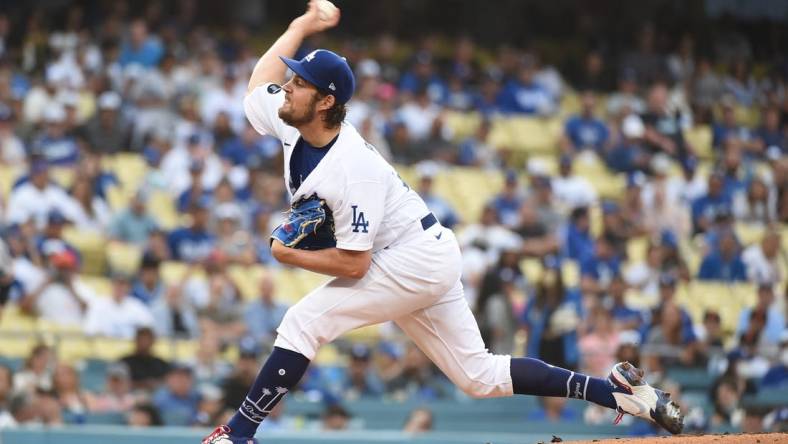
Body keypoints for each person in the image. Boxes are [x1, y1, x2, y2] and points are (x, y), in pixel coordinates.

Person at [202, 4, 683, 442]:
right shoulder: (294, 117)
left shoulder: (351, 167)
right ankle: (617, 393)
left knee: (302, 324)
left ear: (326, 102)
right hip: (419, 251)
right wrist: (301, 26)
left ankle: (237, 434)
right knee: (478, 376)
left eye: (300, 82)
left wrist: (290, 254)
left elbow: (353, 264)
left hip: (412, 257)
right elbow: (256, 82)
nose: (287, 87)